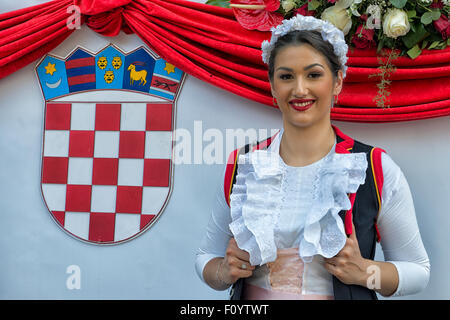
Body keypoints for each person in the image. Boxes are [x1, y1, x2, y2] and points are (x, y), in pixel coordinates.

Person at [195, 15, 430, 300]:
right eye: (286, 76)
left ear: (338, 81)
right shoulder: (244, 164)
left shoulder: (374, 166)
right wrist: (224, 271)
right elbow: (206, 257)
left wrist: (365, 271)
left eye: (314, 74)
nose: (299, 89)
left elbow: (418, 270)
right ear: (272, 86)